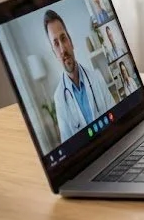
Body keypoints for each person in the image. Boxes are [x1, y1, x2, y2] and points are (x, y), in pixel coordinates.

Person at [46, 10, 117, 142]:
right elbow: (68, 145)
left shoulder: (97, 77)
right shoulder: (59, 99)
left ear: (71, 42)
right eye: (56, 44)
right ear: (54, 53)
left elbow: (116, 118)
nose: (62, 49)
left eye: (63, 38)